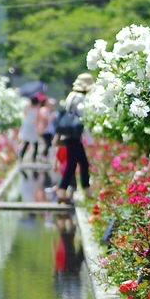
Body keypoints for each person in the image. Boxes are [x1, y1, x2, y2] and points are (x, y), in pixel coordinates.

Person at [55, 72, 95, 203]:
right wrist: (89, 139)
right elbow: (82, 120)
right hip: (74, 134)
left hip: (68, 133)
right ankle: (64, 190)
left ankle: (78, 190)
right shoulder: (80, 98)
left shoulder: (71, 95)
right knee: (78, 163)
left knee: (78, 163)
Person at [18, 94, 40, 161]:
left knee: (26, 142)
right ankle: (34, 158)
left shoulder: (27, 108)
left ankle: (21, 157)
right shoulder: (37, 110)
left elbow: (24, 115)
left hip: (27, 127)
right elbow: (38, 119)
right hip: (33, 127)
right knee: (35, 143)